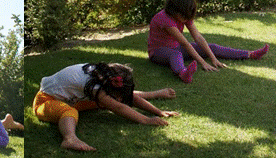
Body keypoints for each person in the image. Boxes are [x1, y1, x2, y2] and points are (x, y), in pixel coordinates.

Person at [32, 62, 177, 152]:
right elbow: (119, 107)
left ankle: (154, 94)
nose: (120, 98)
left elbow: (126, 98)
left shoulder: (101, 74)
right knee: (69, 111)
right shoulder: (95, 87)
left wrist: (158, 112)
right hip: (45, 101)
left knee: (108, 100)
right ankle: (69, 139)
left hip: (73, 99)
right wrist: (146, 120)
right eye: (118, 94)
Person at [148, 0, 268, 83]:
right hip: (158, 52)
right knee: (176, 54)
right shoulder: (164, 19)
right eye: (184, 16)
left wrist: (213, 58)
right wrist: (203, 62)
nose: (186, 19)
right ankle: (183, 73)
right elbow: (185, 43)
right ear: (175, 10)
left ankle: (249, 54)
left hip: (175, 47)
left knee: (213, 47)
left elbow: (198, 37)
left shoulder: (184, 15)